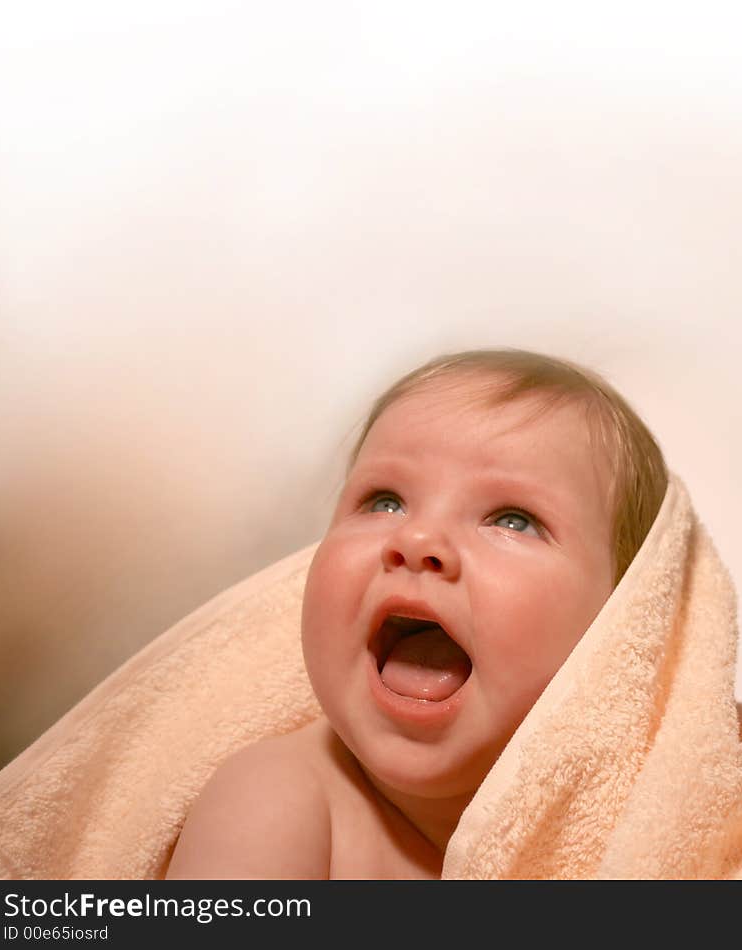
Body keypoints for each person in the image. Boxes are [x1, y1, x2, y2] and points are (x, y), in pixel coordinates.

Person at [165, 347, 668, 879]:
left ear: (624, 620)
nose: (418, 538)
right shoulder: (279, 801)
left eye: (513, 520)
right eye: (385, 501)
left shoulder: (640, 836)